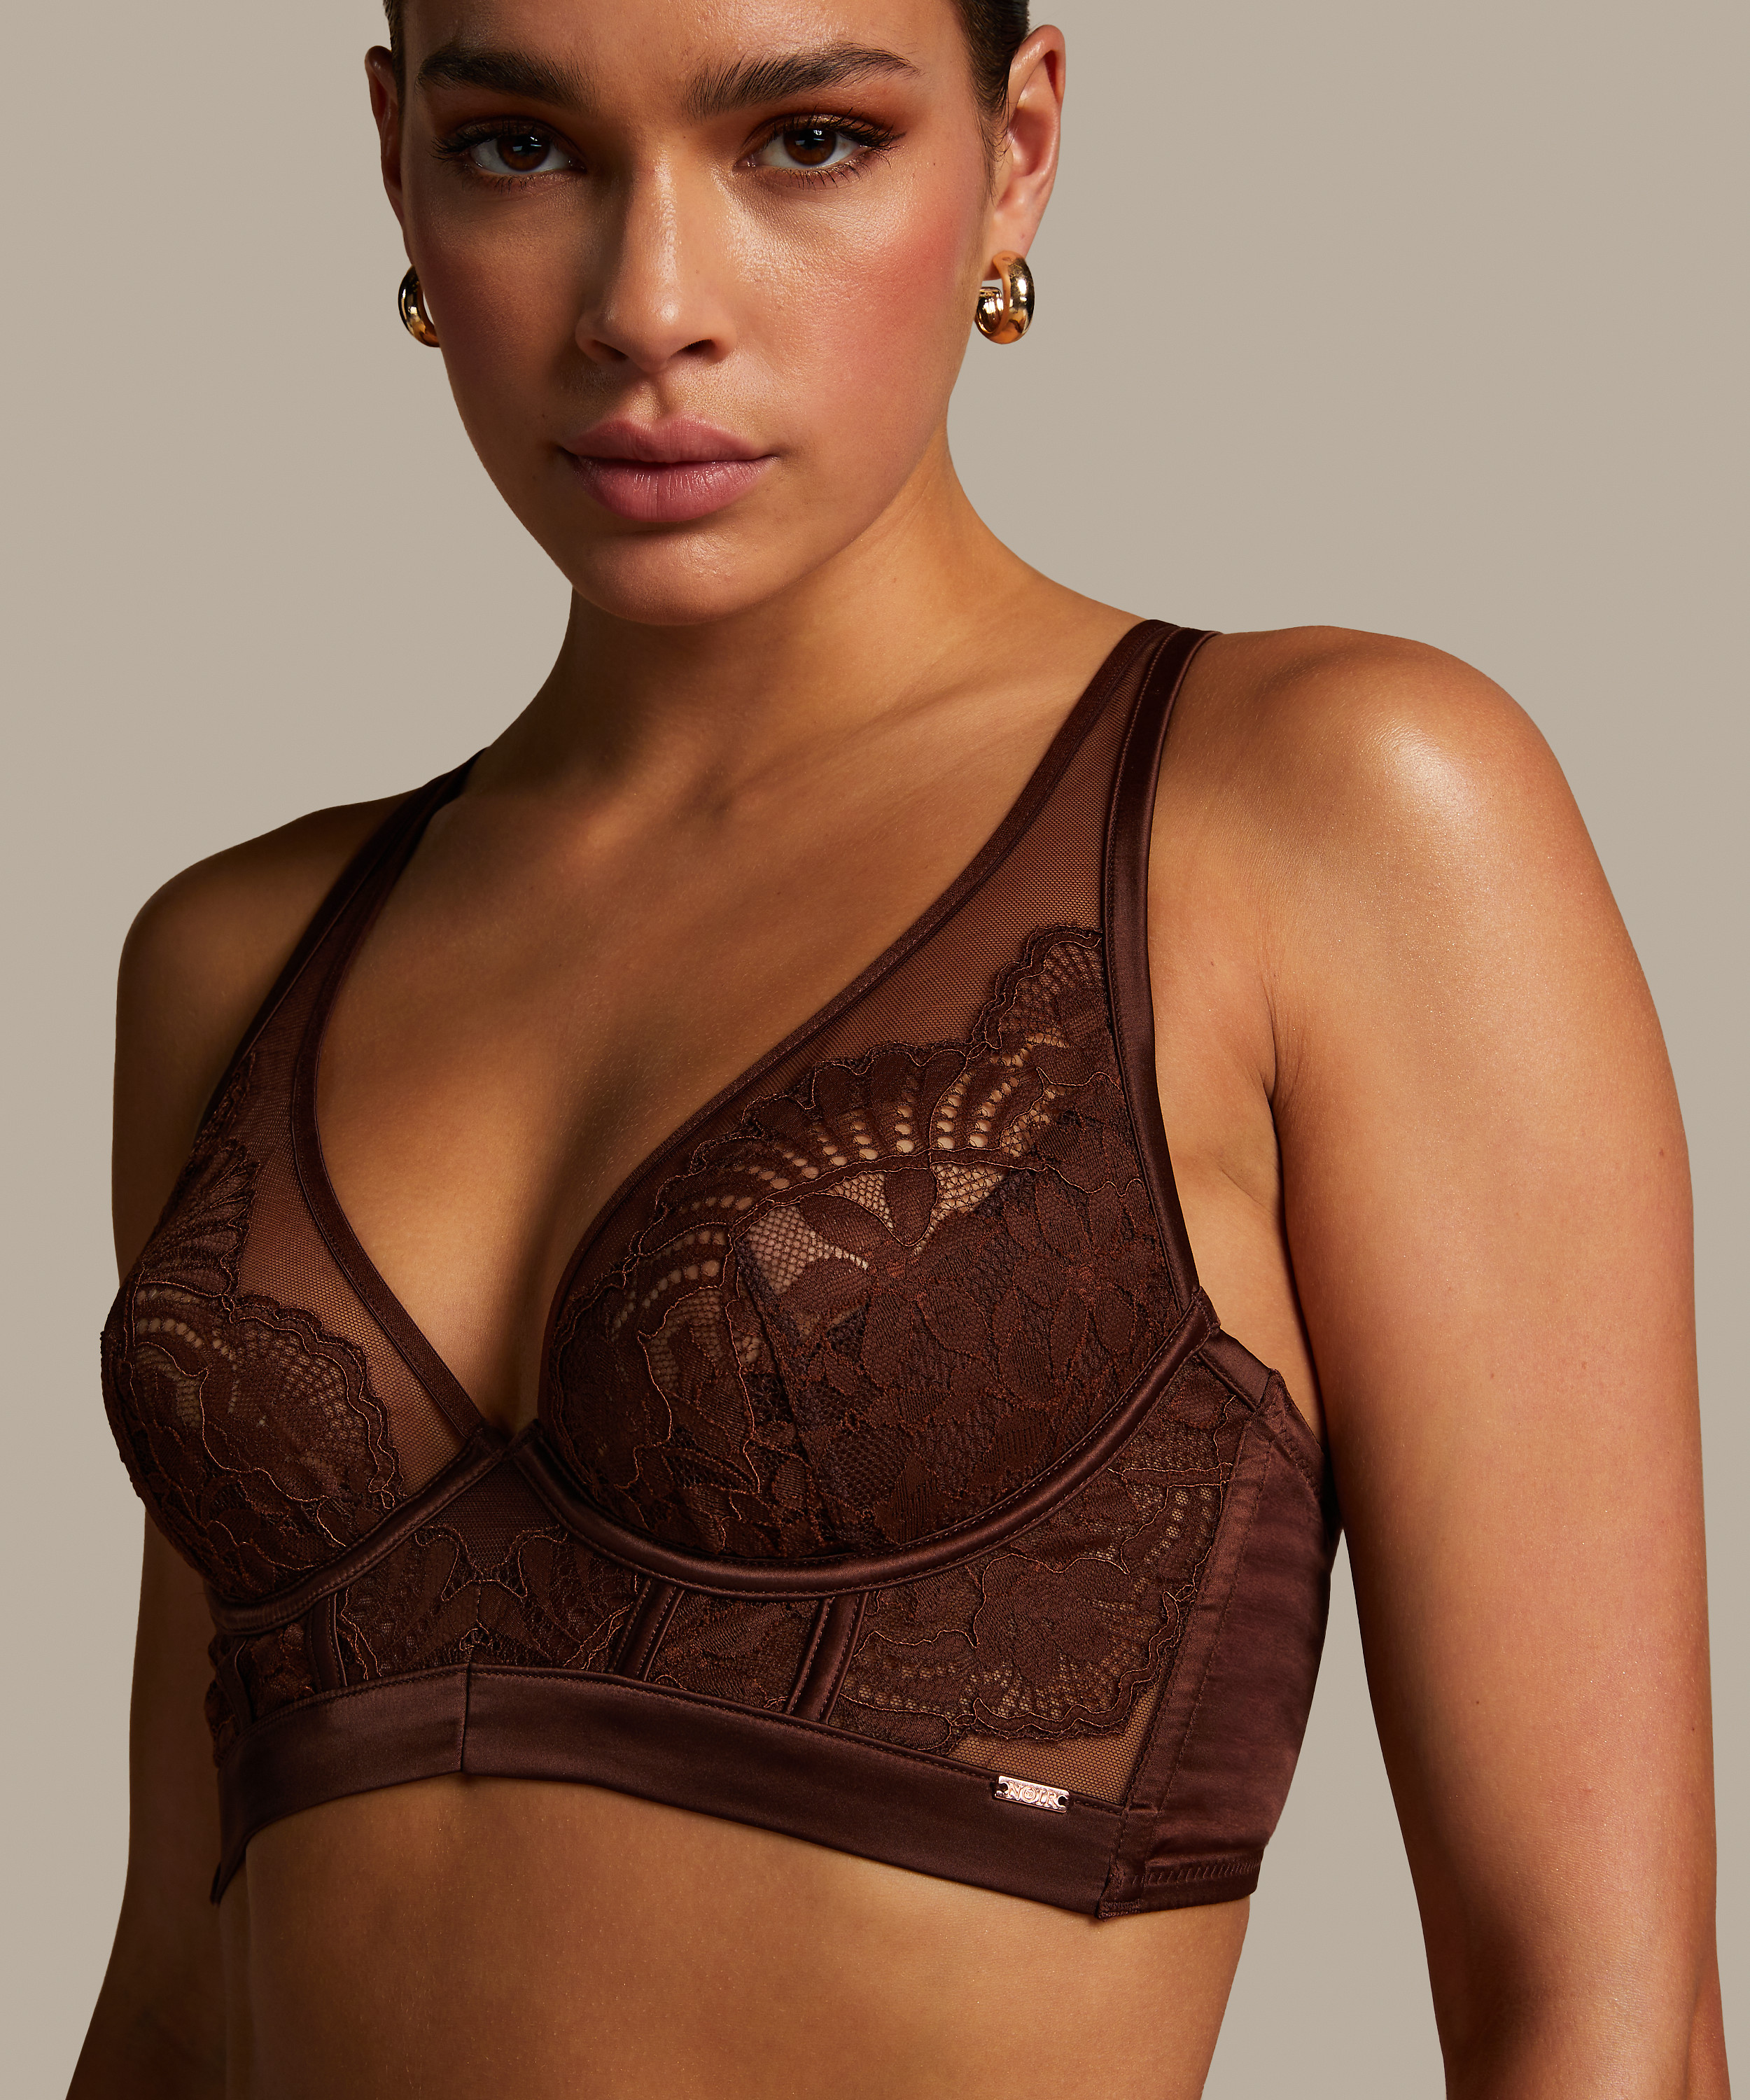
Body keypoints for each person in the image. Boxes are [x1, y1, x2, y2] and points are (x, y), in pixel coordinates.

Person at [71, 1, 1726, 2094]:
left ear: (1015, 150)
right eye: (522, 148)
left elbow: (1600, 2012)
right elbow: (172, 1996)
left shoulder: (1315, 815)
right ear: (395, 154)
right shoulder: (234, 959)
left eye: (806, 140)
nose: (648, 307)